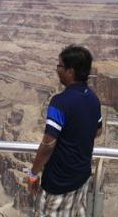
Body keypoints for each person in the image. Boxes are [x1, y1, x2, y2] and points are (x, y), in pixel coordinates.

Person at [27, 44, 102, 217]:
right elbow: (98, 131)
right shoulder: (93, 98)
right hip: (81, 176)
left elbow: (48, 144)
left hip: (59, 182)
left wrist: (33, 174)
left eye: (60, 66)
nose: (57, 70)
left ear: (70, 71)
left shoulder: (60, 102)